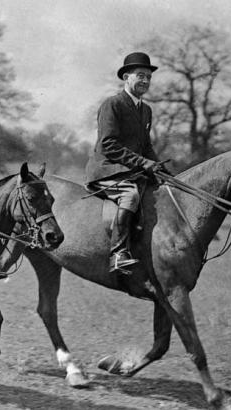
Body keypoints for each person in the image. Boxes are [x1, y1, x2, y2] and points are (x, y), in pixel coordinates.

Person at [85, 52, 168, 275]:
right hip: (107, 168)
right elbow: (107, 144)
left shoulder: (146, 110)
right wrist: (142, 163)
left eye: (149, 77)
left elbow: (146, 147)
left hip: (132, 170)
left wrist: (161, 169)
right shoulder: (112, 104)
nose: (145, 81)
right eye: (140, 75)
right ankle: (118, 254)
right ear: (126, 77)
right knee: (130, 196)